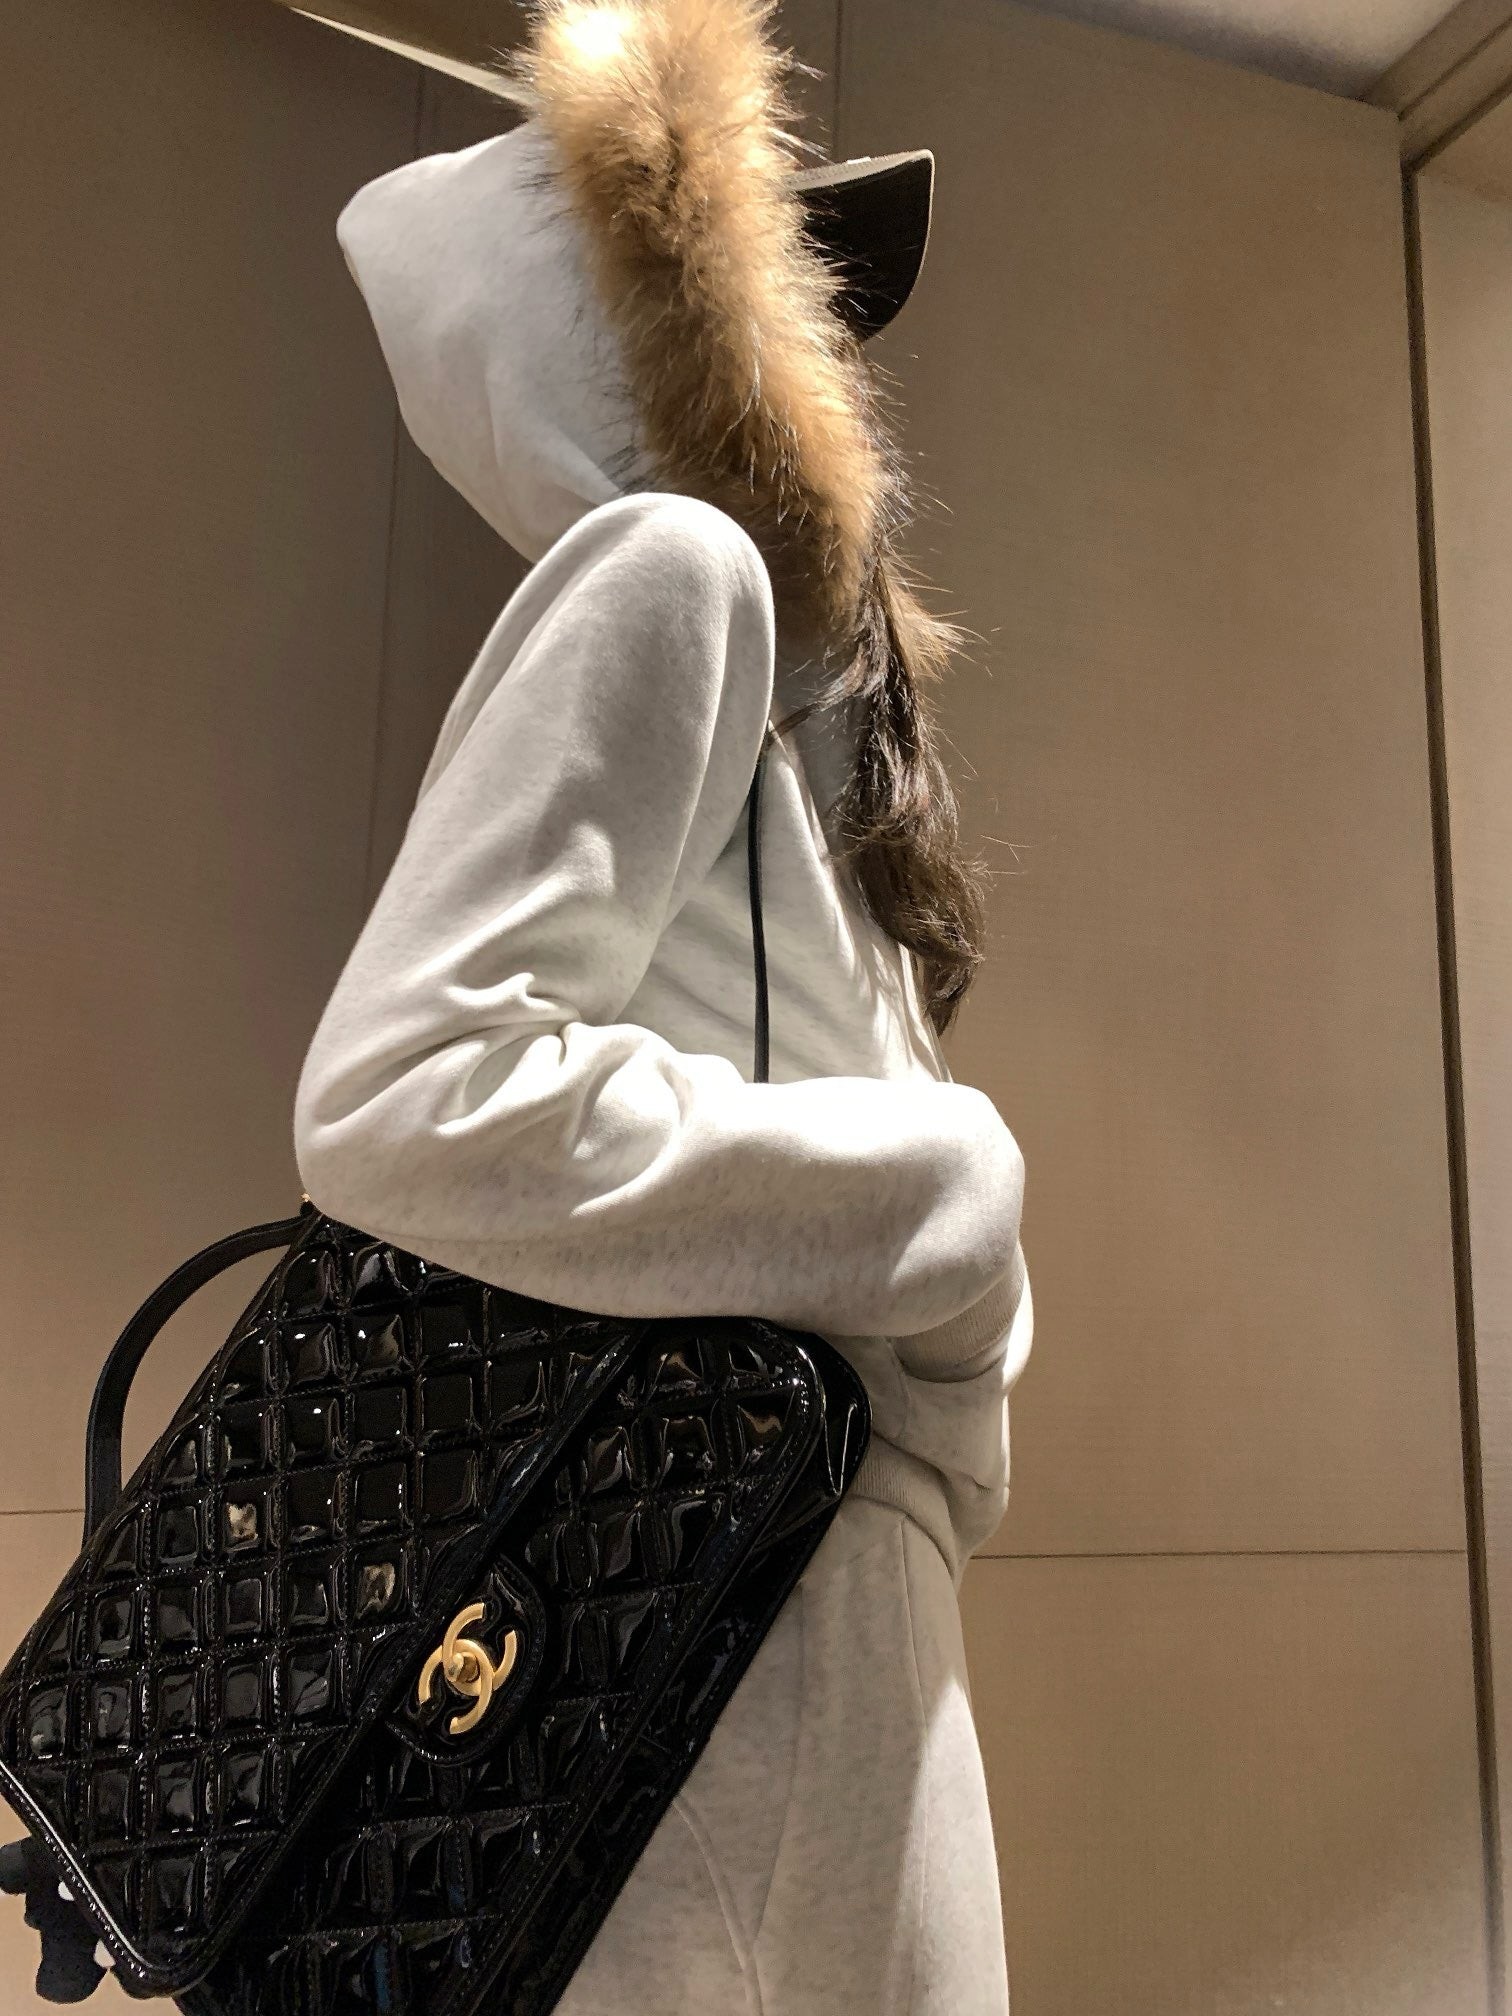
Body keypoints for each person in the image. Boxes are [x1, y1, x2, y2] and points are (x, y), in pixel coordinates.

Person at [293, 1, 1034, 2008]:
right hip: (721, 1613)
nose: (835, 361)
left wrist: (945, 1380)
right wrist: (945, 1190)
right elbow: (412, 1092)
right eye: (785, 296)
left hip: (801, 1578)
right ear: (629, 336)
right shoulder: (674, 572)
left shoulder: (802, 711)